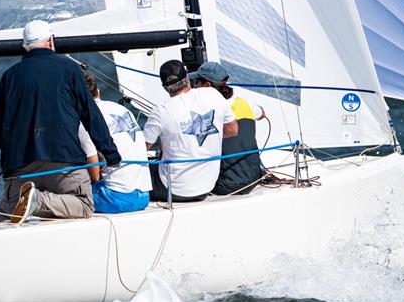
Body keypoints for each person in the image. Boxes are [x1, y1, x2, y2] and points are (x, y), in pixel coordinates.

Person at [0, 20, 120, 224]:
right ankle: (38, 200)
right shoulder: (69, 70)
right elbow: (90, 115)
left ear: (25, 45)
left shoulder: (9, 76)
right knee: (85, 205)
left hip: (19, 167)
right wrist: (111, 155)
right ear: (51, 41)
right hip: (64, 163)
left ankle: (9, 211)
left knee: (6, 216)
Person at [143, 60, 237, 202]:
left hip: (174, 189)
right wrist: (201, 137)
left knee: (137, 172)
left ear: (164, 87)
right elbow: (232, 129)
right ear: (187, 78)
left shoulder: (161, 110)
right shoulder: (213, 93)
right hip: (208, 185)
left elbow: (142, 149)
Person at [76, 73, 152, 213]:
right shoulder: (123, 109)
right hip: (143, 196)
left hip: (115, 199)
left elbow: (93, 172)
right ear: (98, 92)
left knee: (68, 193)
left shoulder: (86, 120)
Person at [191, 61, 265, 195]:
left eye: (196, 82)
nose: (193, 86)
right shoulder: (243, 103)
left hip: (225, 184)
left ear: (207, 85)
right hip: (254, 179)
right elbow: (262, 113)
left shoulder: (206, 110)